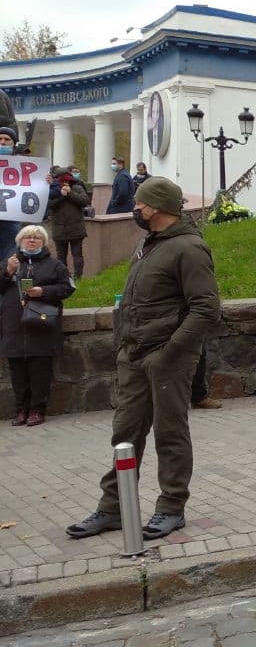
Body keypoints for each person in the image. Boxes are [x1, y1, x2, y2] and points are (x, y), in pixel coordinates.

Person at [67, 177, 220, 540]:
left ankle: (171, 507)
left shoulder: (189, 248)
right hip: (134, 355)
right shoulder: (148, 244)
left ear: (159, 207)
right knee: (125, 433)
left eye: (140, 204)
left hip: (168, 359)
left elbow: (206, 309)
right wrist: (124, 344)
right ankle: (113, 507)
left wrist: (167, 354)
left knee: (170, 433)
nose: (135, 209)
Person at [3, 225, 75, 427]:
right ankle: (21, 410)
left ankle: (37, 410)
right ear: (20, 241)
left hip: (41, 325)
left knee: (40, 371)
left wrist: (42, 291)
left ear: (43, 242)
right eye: (27, 237)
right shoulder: (10, 263)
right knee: (17, 372)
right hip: (14, 327)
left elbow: (67, 288)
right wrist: (8, 272)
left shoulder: (54, 265)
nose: (32, 241)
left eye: (36, 238)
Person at [45, 166, 90, 280]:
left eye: (67, 181)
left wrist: (70, 194)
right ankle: (63, 277)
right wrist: (61, 196)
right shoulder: (51, 191)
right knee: (61, 256)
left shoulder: (78, 188)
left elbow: (84, 201)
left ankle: (78, 277)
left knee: (77, 254)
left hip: (76, 227)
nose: (65, 183)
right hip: (59, 228)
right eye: (62, 181)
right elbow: (49, 204)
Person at [0, 128, 22, 262]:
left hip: (11, 219)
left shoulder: (24, 164)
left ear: (14, 144)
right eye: (0, 139)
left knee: (9, 256)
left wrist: (47, 182)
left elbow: (45, 191)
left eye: (7, 139)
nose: (2, 142)